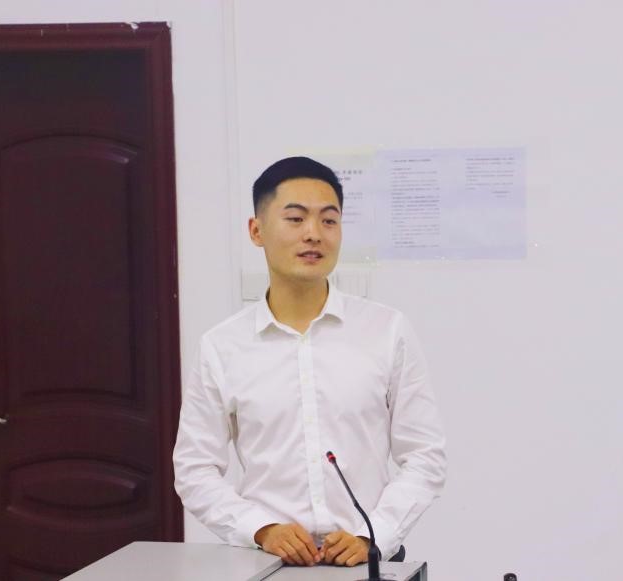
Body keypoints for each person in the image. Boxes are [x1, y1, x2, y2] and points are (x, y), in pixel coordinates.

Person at [173, 156, 446, 567]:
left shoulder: (387, 331)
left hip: (369, 561)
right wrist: (261, 528)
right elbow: (194, 469)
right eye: (295, 219)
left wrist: (374, 534)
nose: (314, 234)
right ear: (256, 231)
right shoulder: (222, 346)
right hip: (268, 563)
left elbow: (425, 456)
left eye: (329, 221)